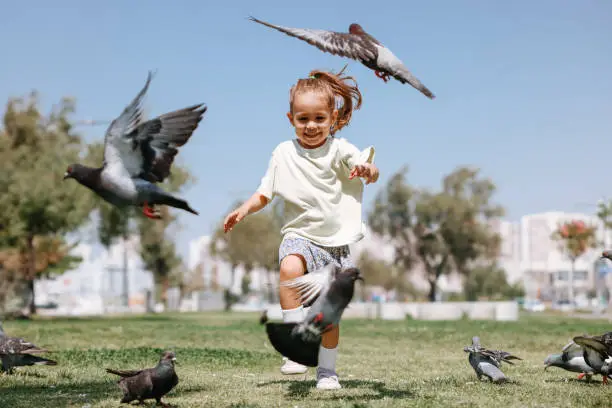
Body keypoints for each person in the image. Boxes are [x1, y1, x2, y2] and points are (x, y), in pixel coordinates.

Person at [223, 67, 379, 390]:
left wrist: (367, 170)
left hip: (334, 246)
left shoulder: (339, 150)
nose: (311, 126)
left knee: (328, 318)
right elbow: (264, 193)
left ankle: (327, 372)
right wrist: (243, 209)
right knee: (289, 266)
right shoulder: (283, 153)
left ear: (332, 118)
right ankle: (295, 347)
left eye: (319, 119)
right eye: (303, 119)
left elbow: (366, 168)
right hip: (300, 237)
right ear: (290, 117)